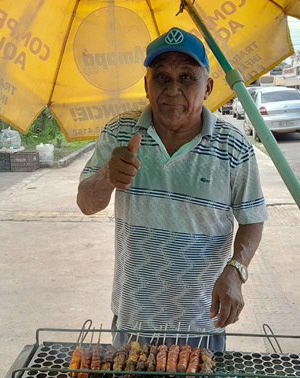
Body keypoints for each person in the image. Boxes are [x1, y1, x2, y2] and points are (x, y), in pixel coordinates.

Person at [77, 27, 267, 351]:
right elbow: (86, 203)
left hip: (202, 320)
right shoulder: (119, 132)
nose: (173, 89)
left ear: (207, 87)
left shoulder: (234, 146)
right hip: (134, 319)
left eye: (186, 78)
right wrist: (108, 175)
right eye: (162, 77)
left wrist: (236, 270)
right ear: (147, 85)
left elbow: (252, 218)